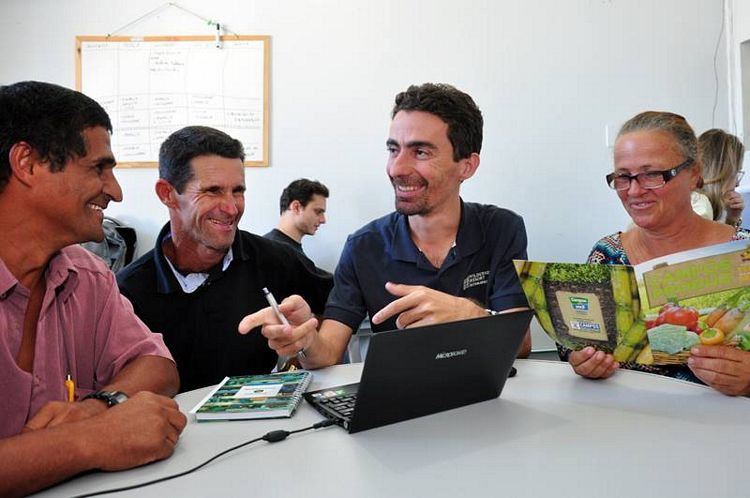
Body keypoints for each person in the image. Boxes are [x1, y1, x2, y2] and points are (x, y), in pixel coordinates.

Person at [239, 83, 531, 368]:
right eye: (394, 150)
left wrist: (469, 314)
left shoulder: (501, 228)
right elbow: (326, 352)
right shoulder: (364, 246)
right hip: (400, 401)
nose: (397, 168)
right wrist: (304, 340)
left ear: (467, 165)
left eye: (421, 152)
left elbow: (521, 343)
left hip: (484, 397)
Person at [0, 81, 186, 496]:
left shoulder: (86, 274)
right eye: (98, 168)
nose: (116, 191)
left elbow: (157, 367)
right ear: (27, 163)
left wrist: (98, 406)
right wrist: (90, 441)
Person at [117, 126, 333, 392]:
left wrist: (305, 343)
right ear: (168, 194)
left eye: (238, 191)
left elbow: (342, 307)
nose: (231, 208)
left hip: (263, 427)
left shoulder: (276, 259)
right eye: (213, 191)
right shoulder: (126, 291)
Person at [568, 111, 750, 396]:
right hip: (627, 427)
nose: (634, 190)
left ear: (694, 173)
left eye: (652, 175)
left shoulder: (743, 254)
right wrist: (583, 362)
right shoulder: (607, 256)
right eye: (623, 177)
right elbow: (577, 344)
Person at [265, 178, 329, 255]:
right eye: (318, 212)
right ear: (296, 207)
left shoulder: (287, 249)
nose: (323, 220)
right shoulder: (273, 251)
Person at [698, 128, 745, 227]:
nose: (737, 183)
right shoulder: (700, 209)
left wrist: (732, 219)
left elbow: (723, 242)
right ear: (719, 172)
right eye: (735, 173)